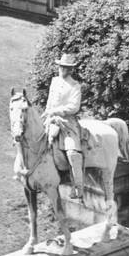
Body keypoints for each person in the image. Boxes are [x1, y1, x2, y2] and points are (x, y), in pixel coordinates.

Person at [45, 51, 85, 199]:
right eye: (61, 66)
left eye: (65, 67)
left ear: (70, 69)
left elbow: (74, 107)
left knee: (72, 152)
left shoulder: (75, 86)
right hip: (50, 119)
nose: (62, 69)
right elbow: (50, 101)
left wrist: (56, 111)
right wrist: (48, 114)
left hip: (67, 123)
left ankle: (78, 188)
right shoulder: (54, 81)